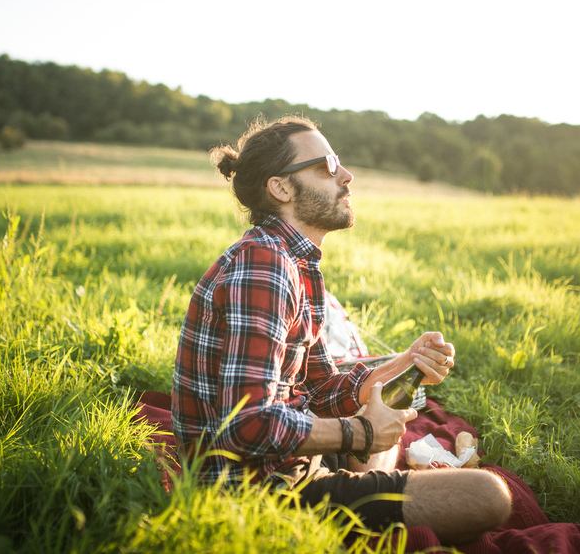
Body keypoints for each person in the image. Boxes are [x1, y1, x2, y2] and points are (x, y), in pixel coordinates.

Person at [171, 116, 512, 544]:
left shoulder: (294, 262)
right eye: (327, 166)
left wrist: (405, 363)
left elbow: (319, 386)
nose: (346, 176)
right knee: (489, 495)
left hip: (287, 461)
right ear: (282, 188)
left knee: (384, 427)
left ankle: (368, 472)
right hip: (260, 495)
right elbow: (248, 423)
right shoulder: (264, 266)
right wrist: (363, 432)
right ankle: (368, 477)